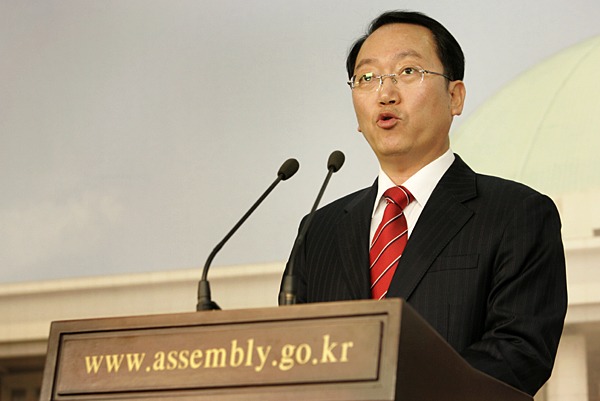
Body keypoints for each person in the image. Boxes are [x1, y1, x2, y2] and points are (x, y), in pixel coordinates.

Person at [280, 10, 567, 396]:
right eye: (367, 78)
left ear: (454, 97)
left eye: (408, 71)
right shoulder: (318, 231)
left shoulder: (517, 214)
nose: (385, 93)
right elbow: (291, 356)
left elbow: (518, 353)